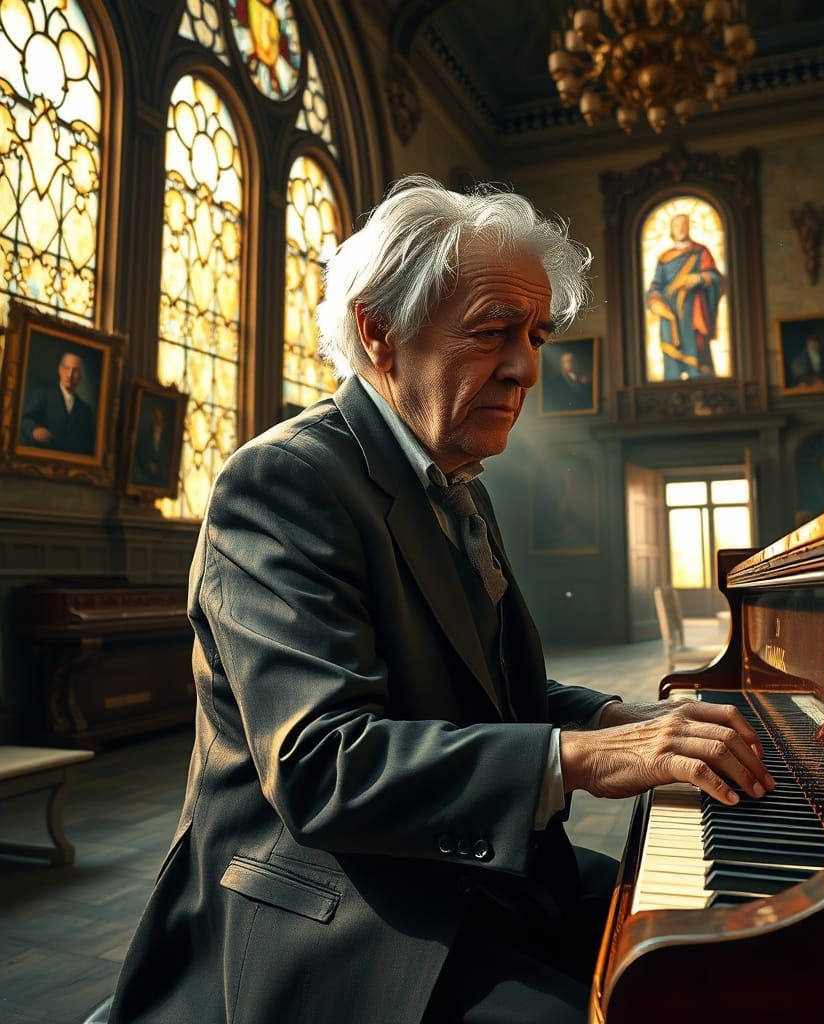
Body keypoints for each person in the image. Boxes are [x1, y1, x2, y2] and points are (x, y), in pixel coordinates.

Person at [108, 176, 773, 1024]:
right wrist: (585, 760)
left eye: (535, 334)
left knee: (722, 942)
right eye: (494, 332)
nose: (527, 367)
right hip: (338, 915)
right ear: (379, 333)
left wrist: (620, 719)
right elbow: (322, 765)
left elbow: (479, 695)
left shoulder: (456, 479)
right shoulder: (285, 481)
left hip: (471, 874)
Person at [645, 213, 724, 380]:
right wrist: (654, 302)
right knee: (672, 359)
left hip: (693, 314)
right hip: (669, 314)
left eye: (684, 225)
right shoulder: (664, 258)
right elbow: (655, 286)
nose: (680, 229)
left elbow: (716, 278)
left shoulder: (700, 252)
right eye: (676, 225)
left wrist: (699, 278)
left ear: (689, 227)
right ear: (671, 230)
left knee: (697, 354)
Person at [19, 350, 96, 455]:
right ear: (60, 370)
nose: (70, 375)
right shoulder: (43, 396)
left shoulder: (86, 411)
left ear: (80, 376)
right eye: (66, 368)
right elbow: (25, 421)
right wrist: (34, 431)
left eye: (75, 371)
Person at [131, 404, 171, 486]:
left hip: (162, 476)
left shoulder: (169, 435)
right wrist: (148, 465)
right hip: (146, 474)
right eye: (156, 416)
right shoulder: (146, 434)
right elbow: (141, 452)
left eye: (159, 416)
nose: (158, 418)